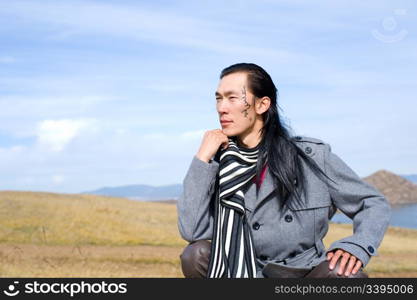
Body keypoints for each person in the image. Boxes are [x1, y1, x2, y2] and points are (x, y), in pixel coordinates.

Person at [176, 63, 391, 278]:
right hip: (245, 273)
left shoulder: (310, 157)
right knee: (195, 254)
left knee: (346, 274)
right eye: (218, 98)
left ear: (262, 105)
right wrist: (202, 159)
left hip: (305, 275)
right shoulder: (220, 165)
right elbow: (193, 231)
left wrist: (357, 246)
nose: (222, 107)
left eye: (232, 98)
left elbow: (371, 203)